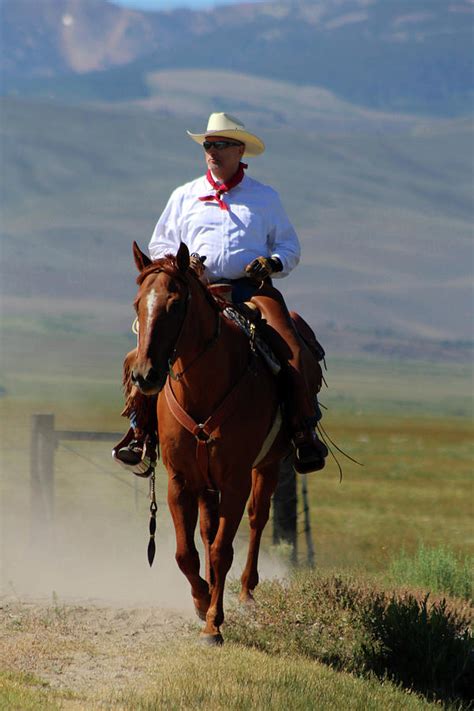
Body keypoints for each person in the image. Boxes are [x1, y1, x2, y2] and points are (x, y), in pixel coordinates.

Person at [113, 112, 328, 473]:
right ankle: (141, 432)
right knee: (147, 348)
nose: (212, 151)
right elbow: (161, 243)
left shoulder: (264, 198)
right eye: (208, 146)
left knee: (292, 350)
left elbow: (290, 247)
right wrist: (181, 266)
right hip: (195, 292)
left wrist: (271, 264)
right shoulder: (185, 195)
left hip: (251, 291)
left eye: (221, 145)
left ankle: (301, 431)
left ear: (239, 150)